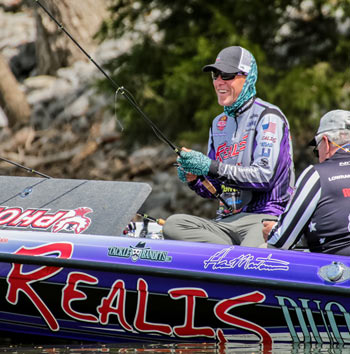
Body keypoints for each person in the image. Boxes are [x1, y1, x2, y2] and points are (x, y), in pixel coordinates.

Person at [163, 46, 295, 246]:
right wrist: (195, 179)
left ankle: (230, 258)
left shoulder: (268, 116)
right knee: (173, 225)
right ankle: (228, 257)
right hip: (225, 221)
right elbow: (214, 187)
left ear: (248, 77)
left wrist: (209, 166)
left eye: (228, 75)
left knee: (246, 258)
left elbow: (264, 177)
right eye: (216, 75)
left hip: (264, 218)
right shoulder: (218, 123)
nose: (219, 82)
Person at [264, 109, 350, 255]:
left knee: (261, 251)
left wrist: (271, 230)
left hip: (335, 270)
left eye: (317, 151)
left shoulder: (317, 174)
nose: (318, 157)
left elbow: (280, 241)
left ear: (326, 142)